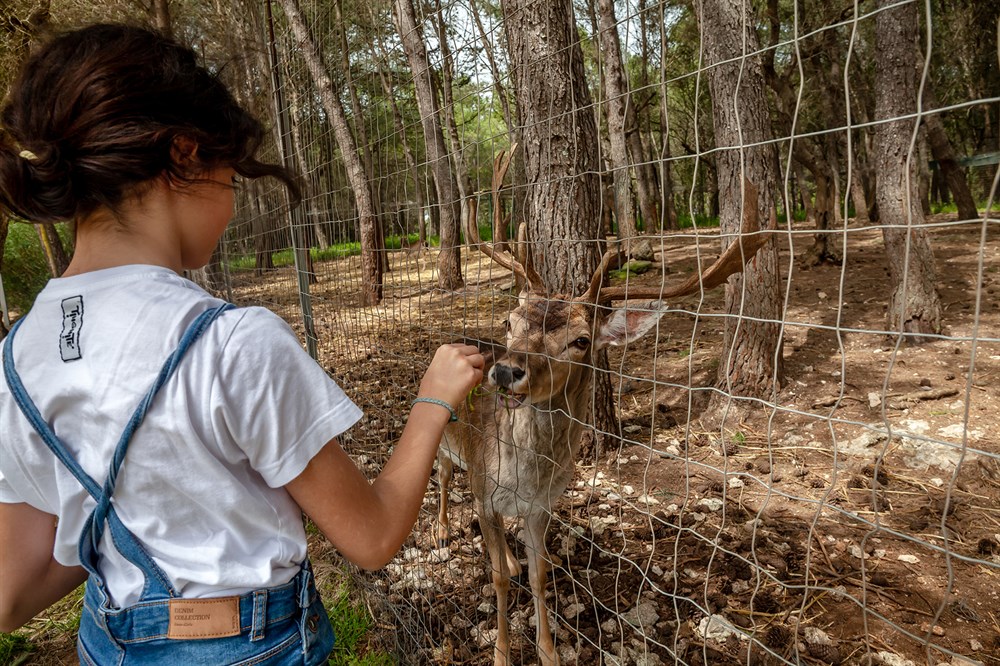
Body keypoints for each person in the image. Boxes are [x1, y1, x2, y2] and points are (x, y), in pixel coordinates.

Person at [0, 23, 484, 665]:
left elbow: (11, 593)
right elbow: (371, 536)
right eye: (233, 175)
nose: (232, 202)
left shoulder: (17, 356)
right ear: (184, 155)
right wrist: (433, 399)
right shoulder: (230, 343)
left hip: (106, 644)